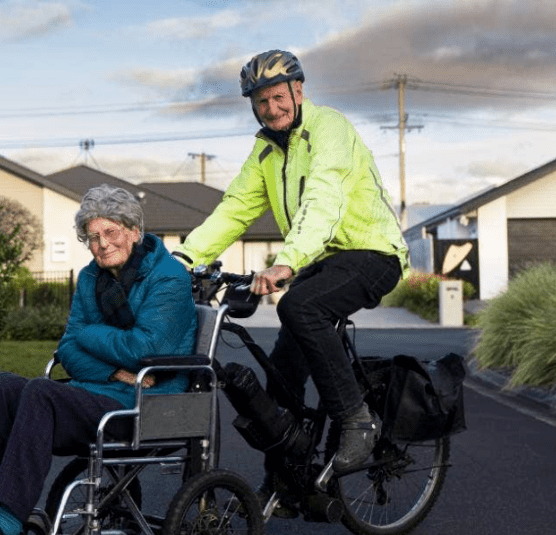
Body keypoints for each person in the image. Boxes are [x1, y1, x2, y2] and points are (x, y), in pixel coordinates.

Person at [0, 184, 197, 535]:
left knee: (41, 393)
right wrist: (110, 369)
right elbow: (69, 349)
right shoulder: (92, 278)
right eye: (93, 236)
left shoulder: (168, 278)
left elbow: (146, 350)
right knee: (2, 386)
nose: (102, 244)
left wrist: (90, 336)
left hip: (145, 403)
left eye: (111, 232)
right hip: (99, 390)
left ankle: (7, 528)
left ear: (135, 232)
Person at [174, 49, 409, 482]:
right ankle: (284, 481)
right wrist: (184, 260)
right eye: (261, 102)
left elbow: (324, 197)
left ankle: (357, 419)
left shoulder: (328, 128)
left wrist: (286, 262)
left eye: (278, 96)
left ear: (298, 91)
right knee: (281, 375)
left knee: (299, 307)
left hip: (372, 252)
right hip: (319, 262)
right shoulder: (265, 150)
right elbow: (236, 209)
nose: (271, 108)